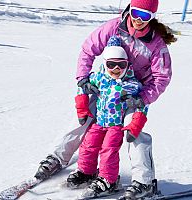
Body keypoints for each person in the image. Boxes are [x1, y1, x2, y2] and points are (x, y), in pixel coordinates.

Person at [34, 0, 177, 199]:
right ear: (129, 9)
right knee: (83, 118)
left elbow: (162, 77)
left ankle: (143, 182)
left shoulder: (155, 44)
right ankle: (58, 158)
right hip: (105, 87)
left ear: (152, 18)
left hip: (132, 96)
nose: (138, 20)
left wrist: (142, 98)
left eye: (145, 16)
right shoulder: (114, 27)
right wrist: (83, 78)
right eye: (136, 13)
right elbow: (88, 49)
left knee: (134, 132)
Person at [66, 36, 149, 198]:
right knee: (88, 145)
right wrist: (82, 106)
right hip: (99, 122)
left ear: (127, 65)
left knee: (108, 150)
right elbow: (82, 86)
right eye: (111, 64)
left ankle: (109, 180)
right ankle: (86, 171)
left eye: (121, 65)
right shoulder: (99, 78)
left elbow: (142, 104)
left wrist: (136, 123)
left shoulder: (131, 84)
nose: (116, 68)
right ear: (105, 64)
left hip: (116, 125)